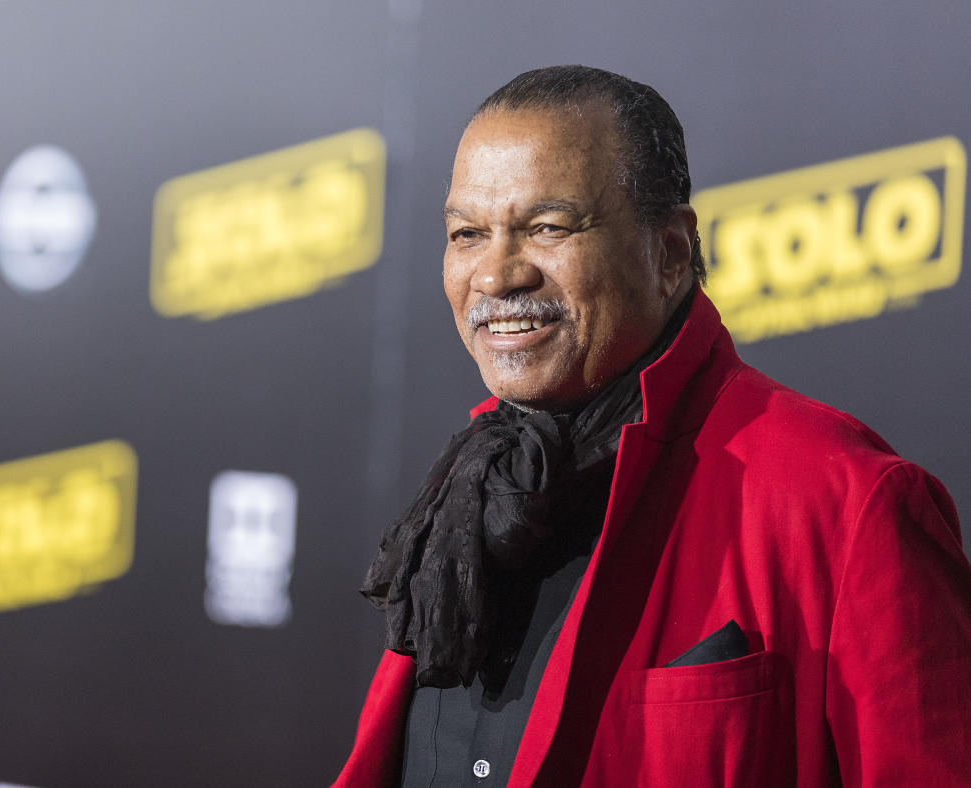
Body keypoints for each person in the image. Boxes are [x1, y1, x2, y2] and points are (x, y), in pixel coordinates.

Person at [333, 65, 971, 787]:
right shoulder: (460, 493)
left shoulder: (847, 505)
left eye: (546, 227)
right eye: (468, 234)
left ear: (669, 254)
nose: (496, 274)